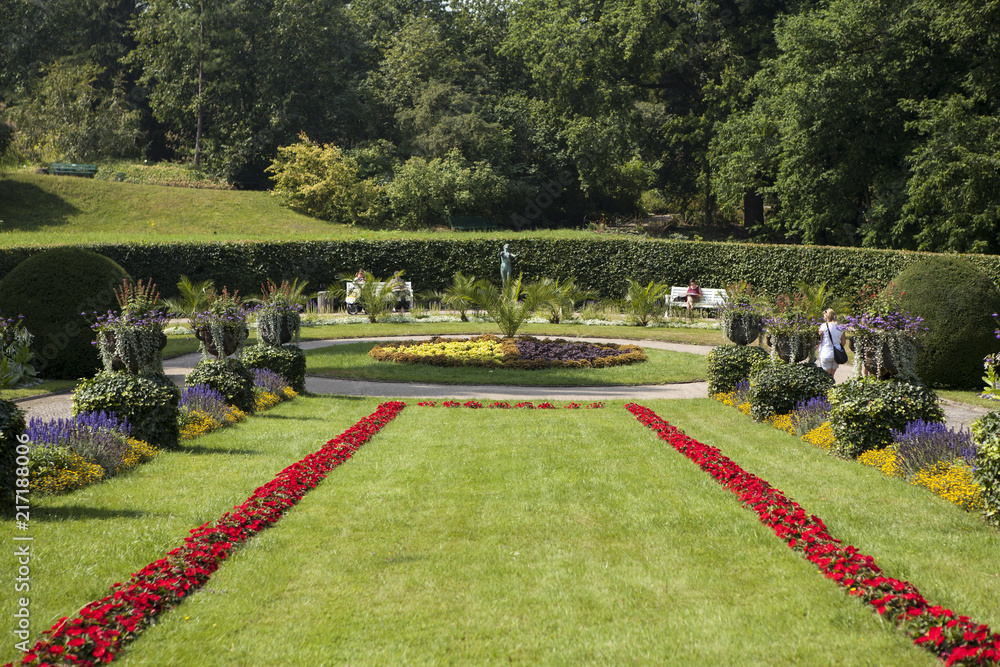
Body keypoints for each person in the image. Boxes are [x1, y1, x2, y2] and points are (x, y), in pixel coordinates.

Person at [816, 308, 847, 379]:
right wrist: (839, 348)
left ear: (827, 316)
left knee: (826, 377)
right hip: (837, 353)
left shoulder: (823, 326)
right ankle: (832, 389)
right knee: (832, 376)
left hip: (826, 352)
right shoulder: (841, 326)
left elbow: (819, 341)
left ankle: (827, 389)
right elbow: (843, 342)